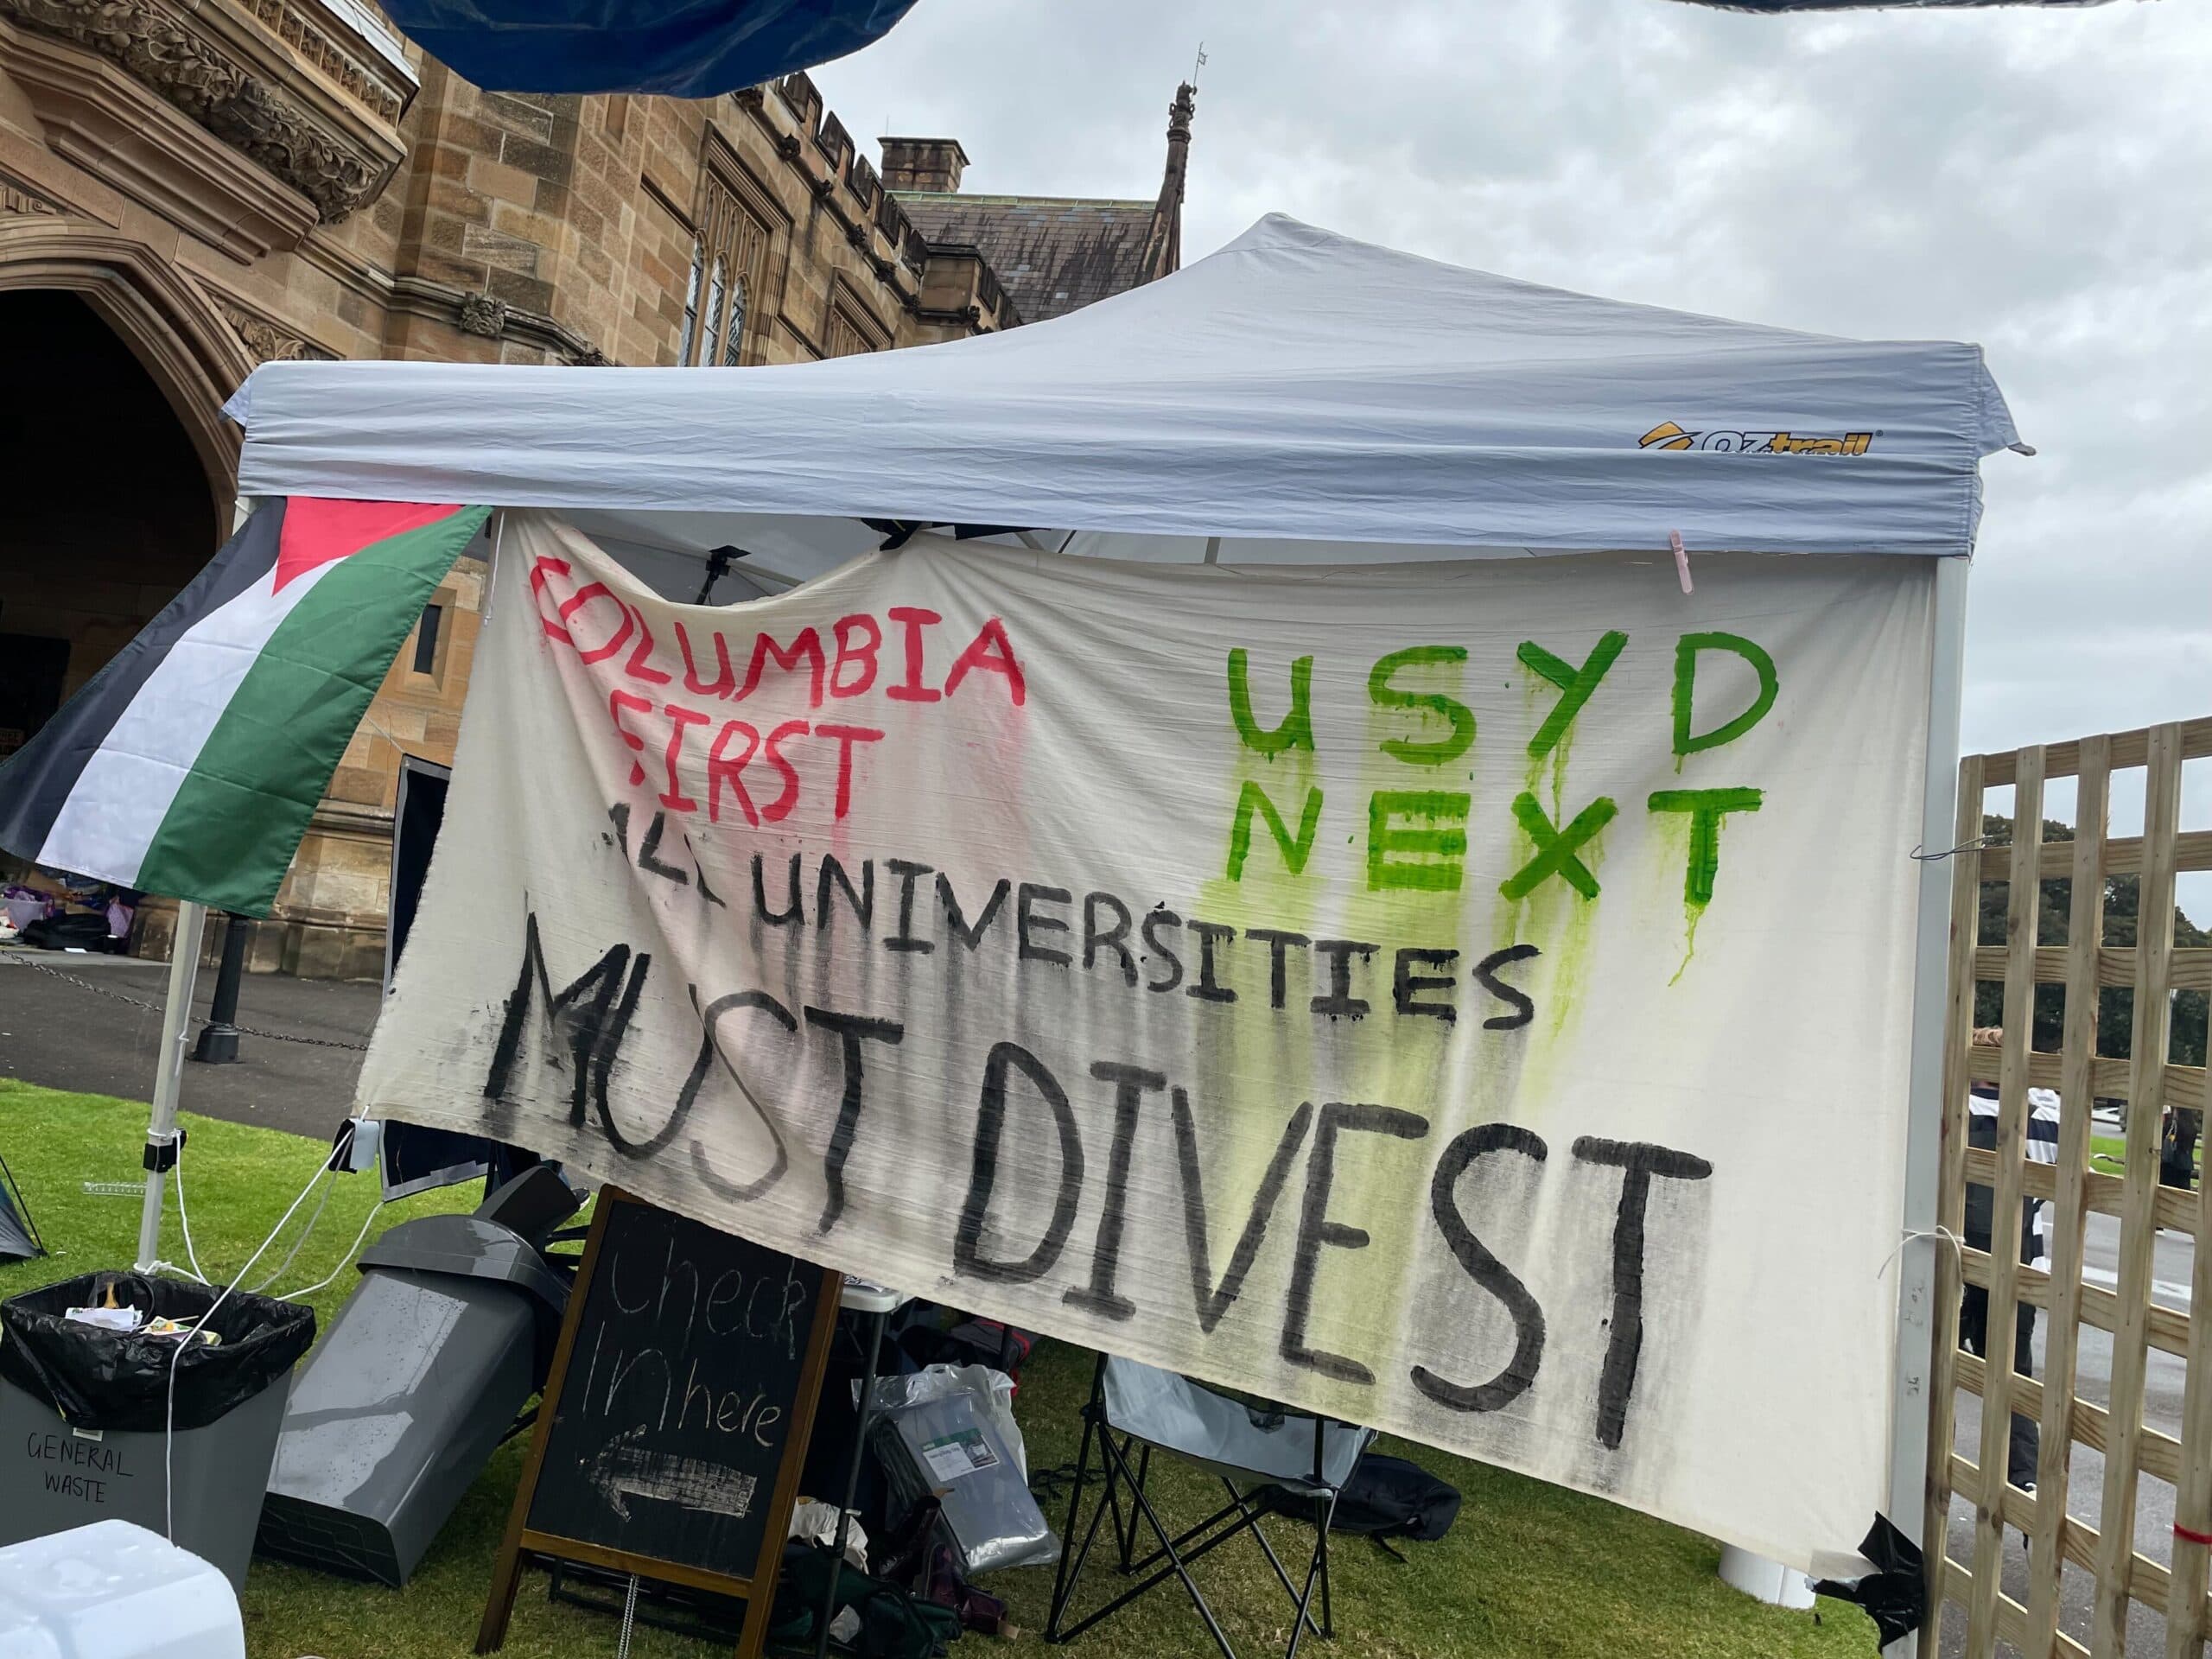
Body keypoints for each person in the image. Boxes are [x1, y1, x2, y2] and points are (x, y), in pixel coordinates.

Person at [1960, 1026, 2058, 1494]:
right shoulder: (2045, 1118)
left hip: (1957, 1260)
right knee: (2015, 1381)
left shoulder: (1956, 1107)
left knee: (1934, 1371)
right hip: (2021, 1263)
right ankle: (2023, 1480)